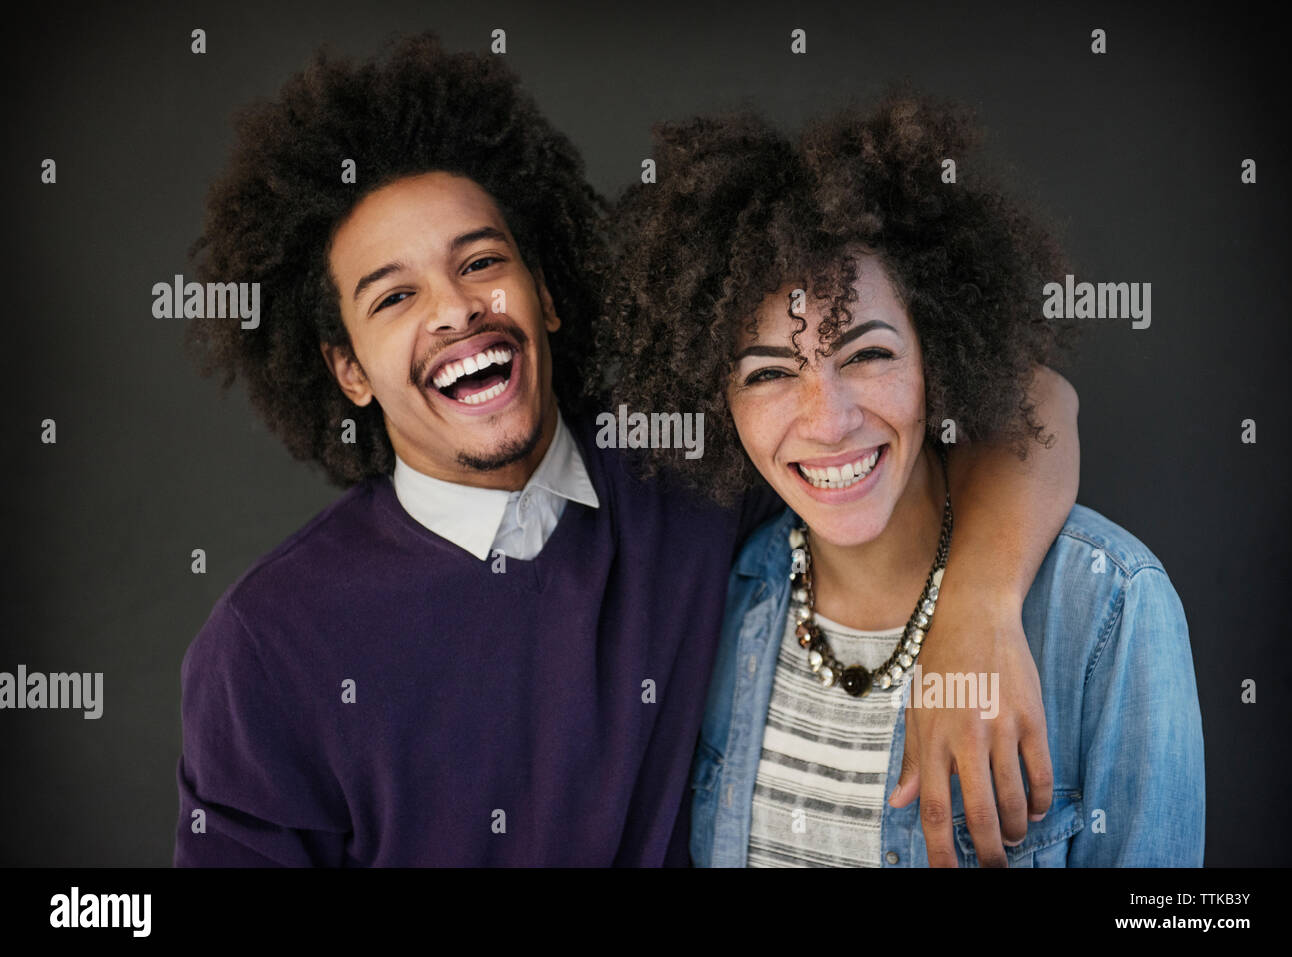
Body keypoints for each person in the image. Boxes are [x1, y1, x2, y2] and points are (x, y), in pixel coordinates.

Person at [173, 35, 1081, 866]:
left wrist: (979, 612)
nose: (455, 309)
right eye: (393, 297)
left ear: (548, 294)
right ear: (349, 371)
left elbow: (1028, 398)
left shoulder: (684, 465)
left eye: (482, 262)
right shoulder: (267, 645)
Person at [597, 97, 1205, 866]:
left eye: (868, 354)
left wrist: (980, 605)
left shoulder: (1108, 606)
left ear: (938, 356)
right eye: (770, 374)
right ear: (717, 402)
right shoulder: (724, 596)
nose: (828, 420)